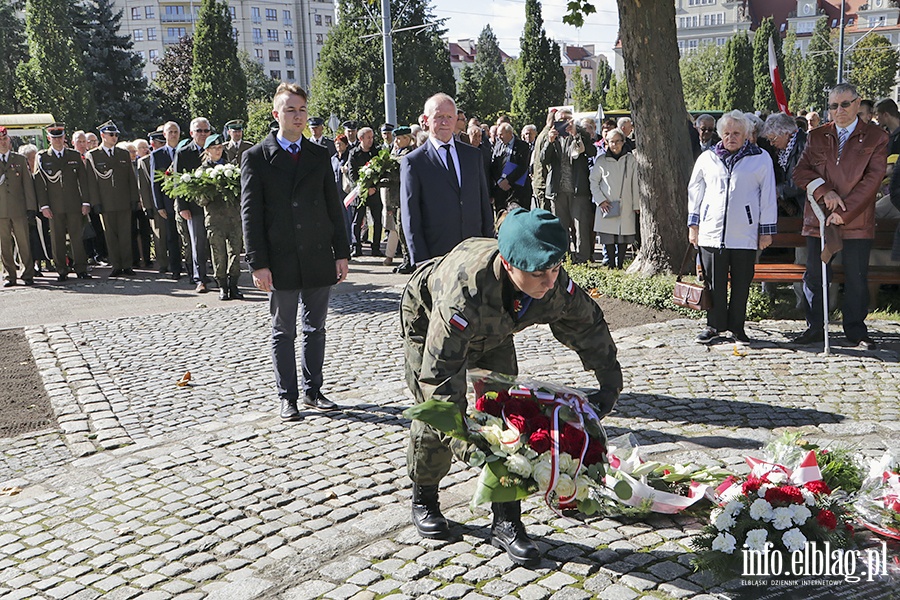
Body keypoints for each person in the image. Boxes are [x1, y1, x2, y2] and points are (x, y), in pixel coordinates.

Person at [400, 208, 622, 565]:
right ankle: (424, 496)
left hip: (494, 331)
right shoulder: (463, 293)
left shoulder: (548, 278)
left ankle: (506, 520)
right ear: (507, 264)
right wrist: (463, 440)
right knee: (432, 417)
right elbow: (439, 379)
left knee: (509, 415)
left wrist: (609, 380)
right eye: (538, 273)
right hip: (428, 320)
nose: (549, 281)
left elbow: (586, 324)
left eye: (554, 268)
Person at [241, 82, 350, 421]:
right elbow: (250, 213)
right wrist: (258, 263)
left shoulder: (320, 154)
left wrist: (341, 252)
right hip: (281, 257)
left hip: (317, 253)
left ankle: (313, 390)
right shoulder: (256, 157)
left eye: (302, 109)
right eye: (290, 110)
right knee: (283, 329)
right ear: (276, 115)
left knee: (316, 327)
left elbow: (334, 207)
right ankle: (287, 396)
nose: (298, 116)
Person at [793, 83, 888, 349]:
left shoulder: (876, 137)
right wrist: (825, 192)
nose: (839, 110)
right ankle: (815, 327)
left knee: (856, 277)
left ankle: (856, 331)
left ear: (858, 104)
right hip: (818, 220)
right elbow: (801, 173)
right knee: (815, 275)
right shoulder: (817, 136)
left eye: (845, 104)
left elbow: (873, 181)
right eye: (833, 106)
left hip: (856, 221)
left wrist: (843, 213)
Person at [688, 110, 777, 344]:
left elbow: (768, 196)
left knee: (741, 283)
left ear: (746, 134)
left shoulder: (761, 158)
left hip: (744, 233)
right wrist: (693, 225)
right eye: (726, 133)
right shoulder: (708, 158)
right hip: (711, 232)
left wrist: (766, 231)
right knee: (713, 282)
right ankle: (713, 325)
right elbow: (695, 191)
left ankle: (738, 328)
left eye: (737, 133)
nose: (731, 137)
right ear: (720, 135)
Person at [400, 93, 494, 268]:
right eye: (439, 117)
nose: (445, 122)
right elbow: (410, 216)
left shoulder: (472, 156)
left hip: (475, 254)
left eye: (450, 117)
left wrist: (489, 246)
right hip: (437, 257)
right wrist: (421, 261)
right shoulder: (414, 162)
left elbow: (483, 204)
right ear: (426, 120)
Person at [33, 123, 92, 281]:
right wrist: (44, 206)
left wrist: (86, 202)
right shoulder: (43, 157)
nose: (58, 140)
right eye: (54, 137)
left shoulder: (73, 156)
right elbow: (40, 184)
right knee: (57, 239)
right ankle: (61, 270)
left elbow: (83, 181)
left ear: (65, 137)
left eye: (60, 137)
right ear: (49, 138)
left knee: (77, 238)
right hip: (54, 206)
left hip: (74, 204)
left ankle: (81, 268)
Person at [541, 107, 597, 263]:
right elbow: (543, 160)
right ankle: (563, 258)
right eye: (560, 119)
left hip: (578, 190)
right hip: (558, 191)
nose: (564, 122)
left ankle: (582, 259)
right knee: (560, 228)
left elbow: (592, 152)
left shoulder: (580, 134)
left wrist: (576, 134)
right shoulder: (551, 137)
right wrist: (550, 142)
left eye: (567, 119)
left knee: (581, 228)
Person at [85, 121, 140, 277]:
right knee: (110, 235)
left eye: (116, 135)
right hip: (106, 202)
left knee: (125, 234)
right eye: (111, 135)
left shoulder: (123, 154)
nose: (114, 137)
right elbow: (92, 182)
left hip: (123, 201)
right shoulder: (93, 155)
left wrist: (134, 198)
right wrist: (96, 202)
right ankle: (116, 265)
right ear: (103, 136)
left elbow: (130, 178)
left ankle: (127, 265)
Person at [200, 135, 244, 301]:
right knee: (219, 254)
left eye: (220, 148)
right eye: (214, 148)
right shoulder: (202, 171)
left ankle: (234, 285)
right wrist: (211, 188)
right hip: (215, 219)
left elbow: (240, 192)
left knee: (235, 252)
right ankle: (223, 286)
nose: (218, 151)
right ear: (207, 151)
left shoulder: (231, 168)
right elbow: (200, 200)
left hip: (233, 218)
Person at [590, 128, 639, 269]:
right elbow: (593, 181)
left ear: (623, 142)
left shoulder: (630, 160)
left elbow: (635, 182)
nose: (615, 145)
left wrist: (636, 204)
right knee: (608, 236)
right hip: (607, 203)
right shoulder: (601, 161)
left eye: (618, 141)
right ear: (607, 142)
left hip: (626, 202)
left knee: (623, 236)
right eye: (612, 142)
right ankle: (611, 264)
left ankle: (620, 264)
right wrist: (600, 200)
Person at [173, 117, 213, 293]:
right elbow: (177, 182)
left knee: (214, 243)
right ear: (191, 133)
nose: (203, 134)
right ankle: (200, 278)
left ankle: (219, 276)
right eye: (199, 131)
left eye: (206, 131)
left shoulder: (216, 149)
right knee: (197, 244)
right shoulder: (183, 153)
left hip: (214, 206)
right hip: (193, 207)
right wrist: (182, 206)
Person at [0, 126, 37, 286]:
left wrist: (31, 208)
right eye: (0, 140)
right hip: (1, 211)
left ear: (9, 141)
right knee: (4, 245)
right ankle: (10, 275)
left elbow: (27, 185)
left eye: (4, 139)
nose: (2, 143)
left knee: (24, 243)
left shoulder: (19, 160)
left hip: (19, 209)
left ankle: (28, 273)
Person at [151, 121, 188, 280]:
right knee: (172, 237)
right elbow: (155, 182)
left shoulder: (186, 151)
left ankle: (192, 268)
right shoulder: (157, 155)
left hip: (186, 201)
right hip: (168, 202)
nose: (173, 135)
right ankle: (175, 268)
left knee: (188, 237)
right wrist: (159, 205)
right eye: (170, 132)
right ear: (164, 135)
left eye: (176, 132)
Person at [347, 127, 384, 257]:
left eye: (372, 137)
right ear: (361, 138)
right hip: (360, 193)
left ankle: (376, 247)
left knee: (377, 221)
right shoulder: (353, 153)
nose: (371, 140)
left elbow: (381, 171)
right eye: (368, 137)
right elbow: (352, 175)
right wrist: (364, 189)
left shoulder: (376, 152)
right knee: (357, 221)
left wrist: (374, 187)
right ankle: (356, 247)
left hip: (374, 192)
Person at [138, 130, 168, 274]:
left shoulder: (171, 156)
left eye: (163, 143)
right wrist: (147, 207)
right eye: (159, 143)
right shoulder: (144, 161)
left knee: (176, 235)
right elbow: (143, 186)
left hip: (170, 202)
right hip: (154, 204)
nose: (162, 146)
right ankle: (163, 263)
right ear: (152, 144)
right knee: (159, 236)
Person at [383, 126, 413, 267]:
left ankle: (409, 258)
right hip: (395, 198)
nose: (396, 141)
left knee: (403, 228)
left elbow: (401, 173)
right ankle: (406, 258)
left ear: (407, 139)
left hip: (404, 197)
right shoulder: (396, 153)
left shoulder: (408, 153)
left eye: (399, 138)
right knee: (398, 228)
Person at [490, 123, 532, 212]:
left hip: (518, 189)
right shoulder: (498, 145)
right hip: (501, 189)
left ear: (509, 133)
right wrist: (500, 181)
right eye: (498, 135)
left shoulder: (522, 146)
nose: (499, 137)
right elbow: (493, 165)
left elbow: (522, 167)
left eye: (501, 134)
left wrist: (508, 180)